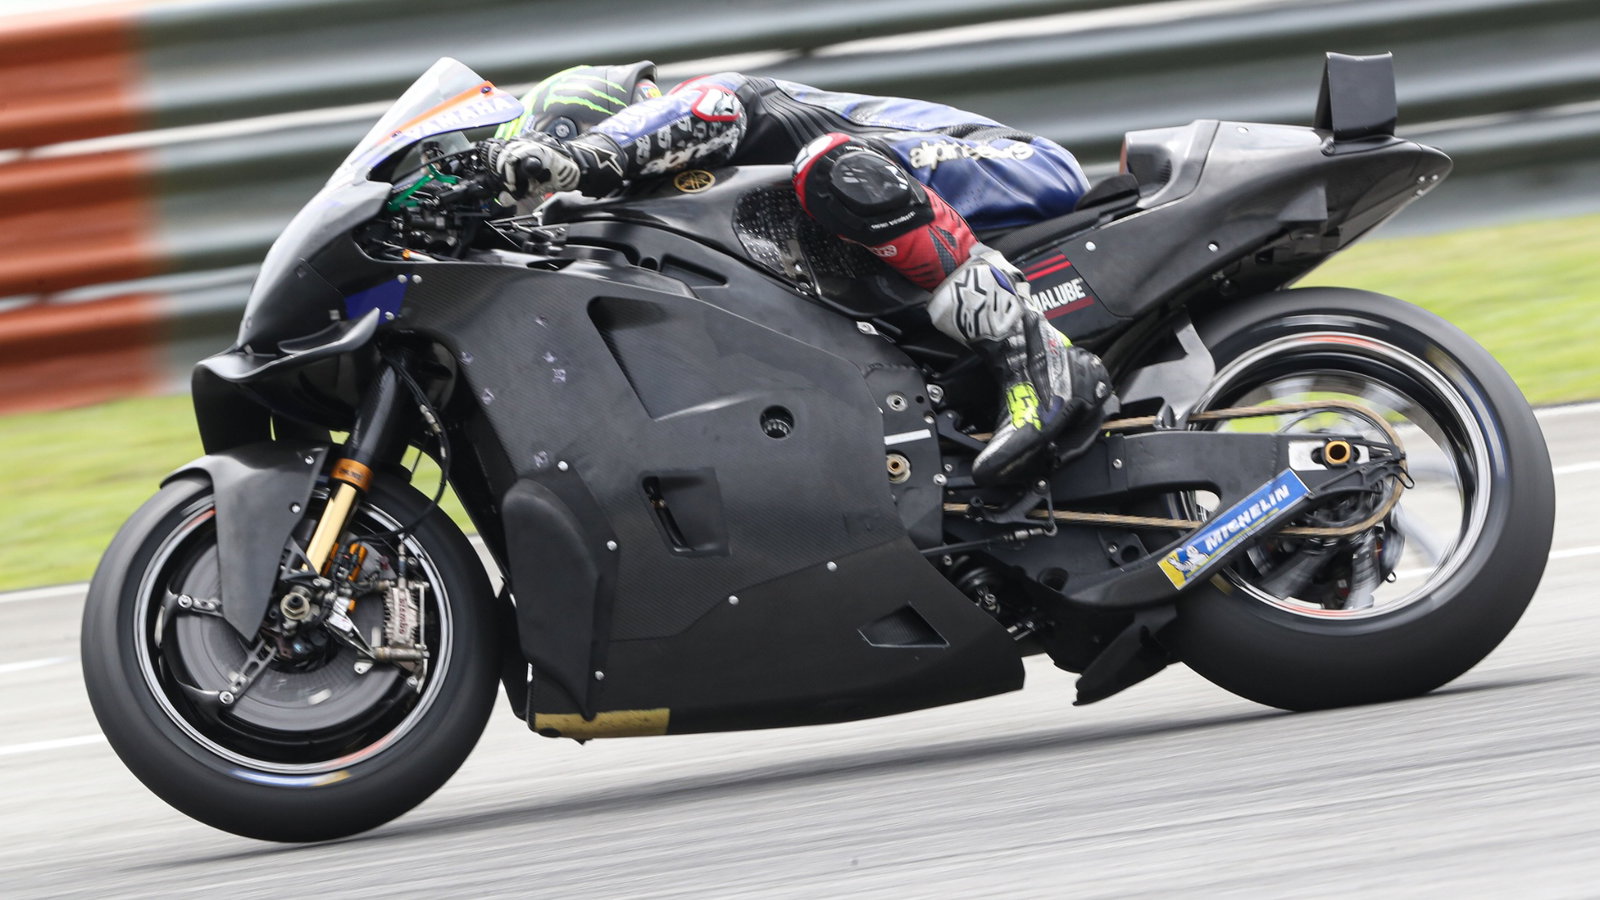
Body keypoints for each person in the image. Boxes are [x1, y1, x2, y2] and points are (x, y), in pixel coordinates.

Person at [479, 63, 1110, 484]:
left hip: (1010, 163)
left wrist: (585, 156)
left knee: (832, 167)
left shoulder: (706, 99)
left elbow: (704, 113)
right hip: (918, 228)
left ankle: (1039, 359)